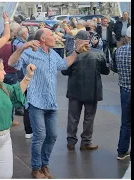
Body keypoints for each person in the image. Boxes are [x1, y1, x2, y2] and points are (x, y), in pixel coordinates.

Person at [8, 28, 89, 178]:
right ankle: (35, 168)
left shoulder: (53, 54)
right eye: (51, 35)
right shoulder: (30, 52)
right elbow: (11, 62)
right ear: (43, 39)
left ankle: (44, 165)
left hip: (51, 103)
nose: (55, 36)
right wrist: (24, 46)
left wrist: (76, 51)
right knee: (40, 136)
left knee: (52, 136)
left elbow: (64, 64)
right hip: (36, 102)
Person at [61, 30, 110, 151]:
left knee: (73, 117)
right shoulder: (99, 54)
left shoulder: (72, 53)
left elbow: (64, 70)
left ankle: (71, 142)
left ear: (77, 40)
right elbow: (106, 70)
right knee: (89, 118)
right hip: (92, 91)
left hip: (74, 91)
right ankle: (86, 142)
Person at [111, 26, 131, 160]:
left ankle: (122, 151)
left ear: (127, 37)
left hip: (125, 90)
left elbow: (114, 67)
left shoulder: (118, 51)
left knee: (126, 122)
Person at [12, 26, 34, 138]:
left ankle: (29, 130)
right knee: (28, 105)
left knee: (26, 104)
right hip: (24, 77)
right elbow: (18, 64)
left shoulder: (16, 42)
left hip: (21, 77)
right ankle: (29, 130)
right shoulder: (22, 46)